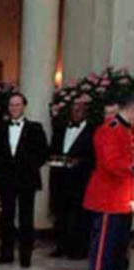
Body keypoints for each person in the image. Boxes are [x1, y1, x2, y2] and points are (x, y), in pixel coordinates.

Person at [82, 93, 133, 270]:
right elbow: (111, 163)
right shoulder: (109, 129)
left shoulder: (128, 130)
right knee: (104, 246)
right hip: (107, 198)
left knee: (120, 246)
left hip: (124, 198)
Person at [0, 92, 49, 268]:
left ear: (23, 106)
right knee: (6, 217)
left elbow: (43, 153)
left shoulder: (35, 128)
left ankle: (26, 257)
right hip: (7, 179)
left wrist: (28, 166)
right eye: (11, 105)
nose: (14, 108)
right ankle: (6, 254)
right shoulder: (0, 127)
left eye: (17, 105)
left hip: (27, 179)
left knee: (26, 218)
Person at [49, 100, 95, 259]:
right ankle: (61, 246)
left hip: (80, 180)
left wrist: (79, 162)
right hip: (61, 178)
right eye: (74, 110)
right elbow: (53, 150)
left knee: (79, 215)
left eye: (79, 110)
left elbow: (94, 157)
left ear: (85, 112)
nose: (76, 113)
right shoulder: (61, 129)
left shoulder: (92, 131)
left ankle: (78, 249)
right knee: (61, 213)